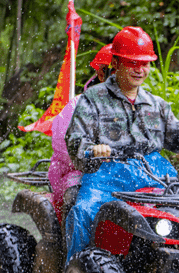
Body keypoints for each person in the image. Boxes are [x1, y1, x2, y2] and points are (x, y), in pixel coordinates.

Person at [64, 26, 179, 265]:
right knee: (84, 212)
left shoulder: (157, 105)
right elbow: (75, 139)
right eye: (133, 63)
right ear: (117, 63)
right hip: (106, 175)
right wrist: (93, 150)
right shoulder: (93, 99)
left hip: (155, 174)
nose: (140, 69)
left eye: (145, 63)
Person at [48, 43, 114, 220]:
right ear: (101, 74)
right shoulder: (78, 106)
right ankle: (74, 246)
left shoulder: (138, 108)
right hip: (79, 173)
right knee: (75, 198)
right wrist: (91, 155)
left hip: (121, 173)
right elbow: (65, 146)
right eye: (116, 72)